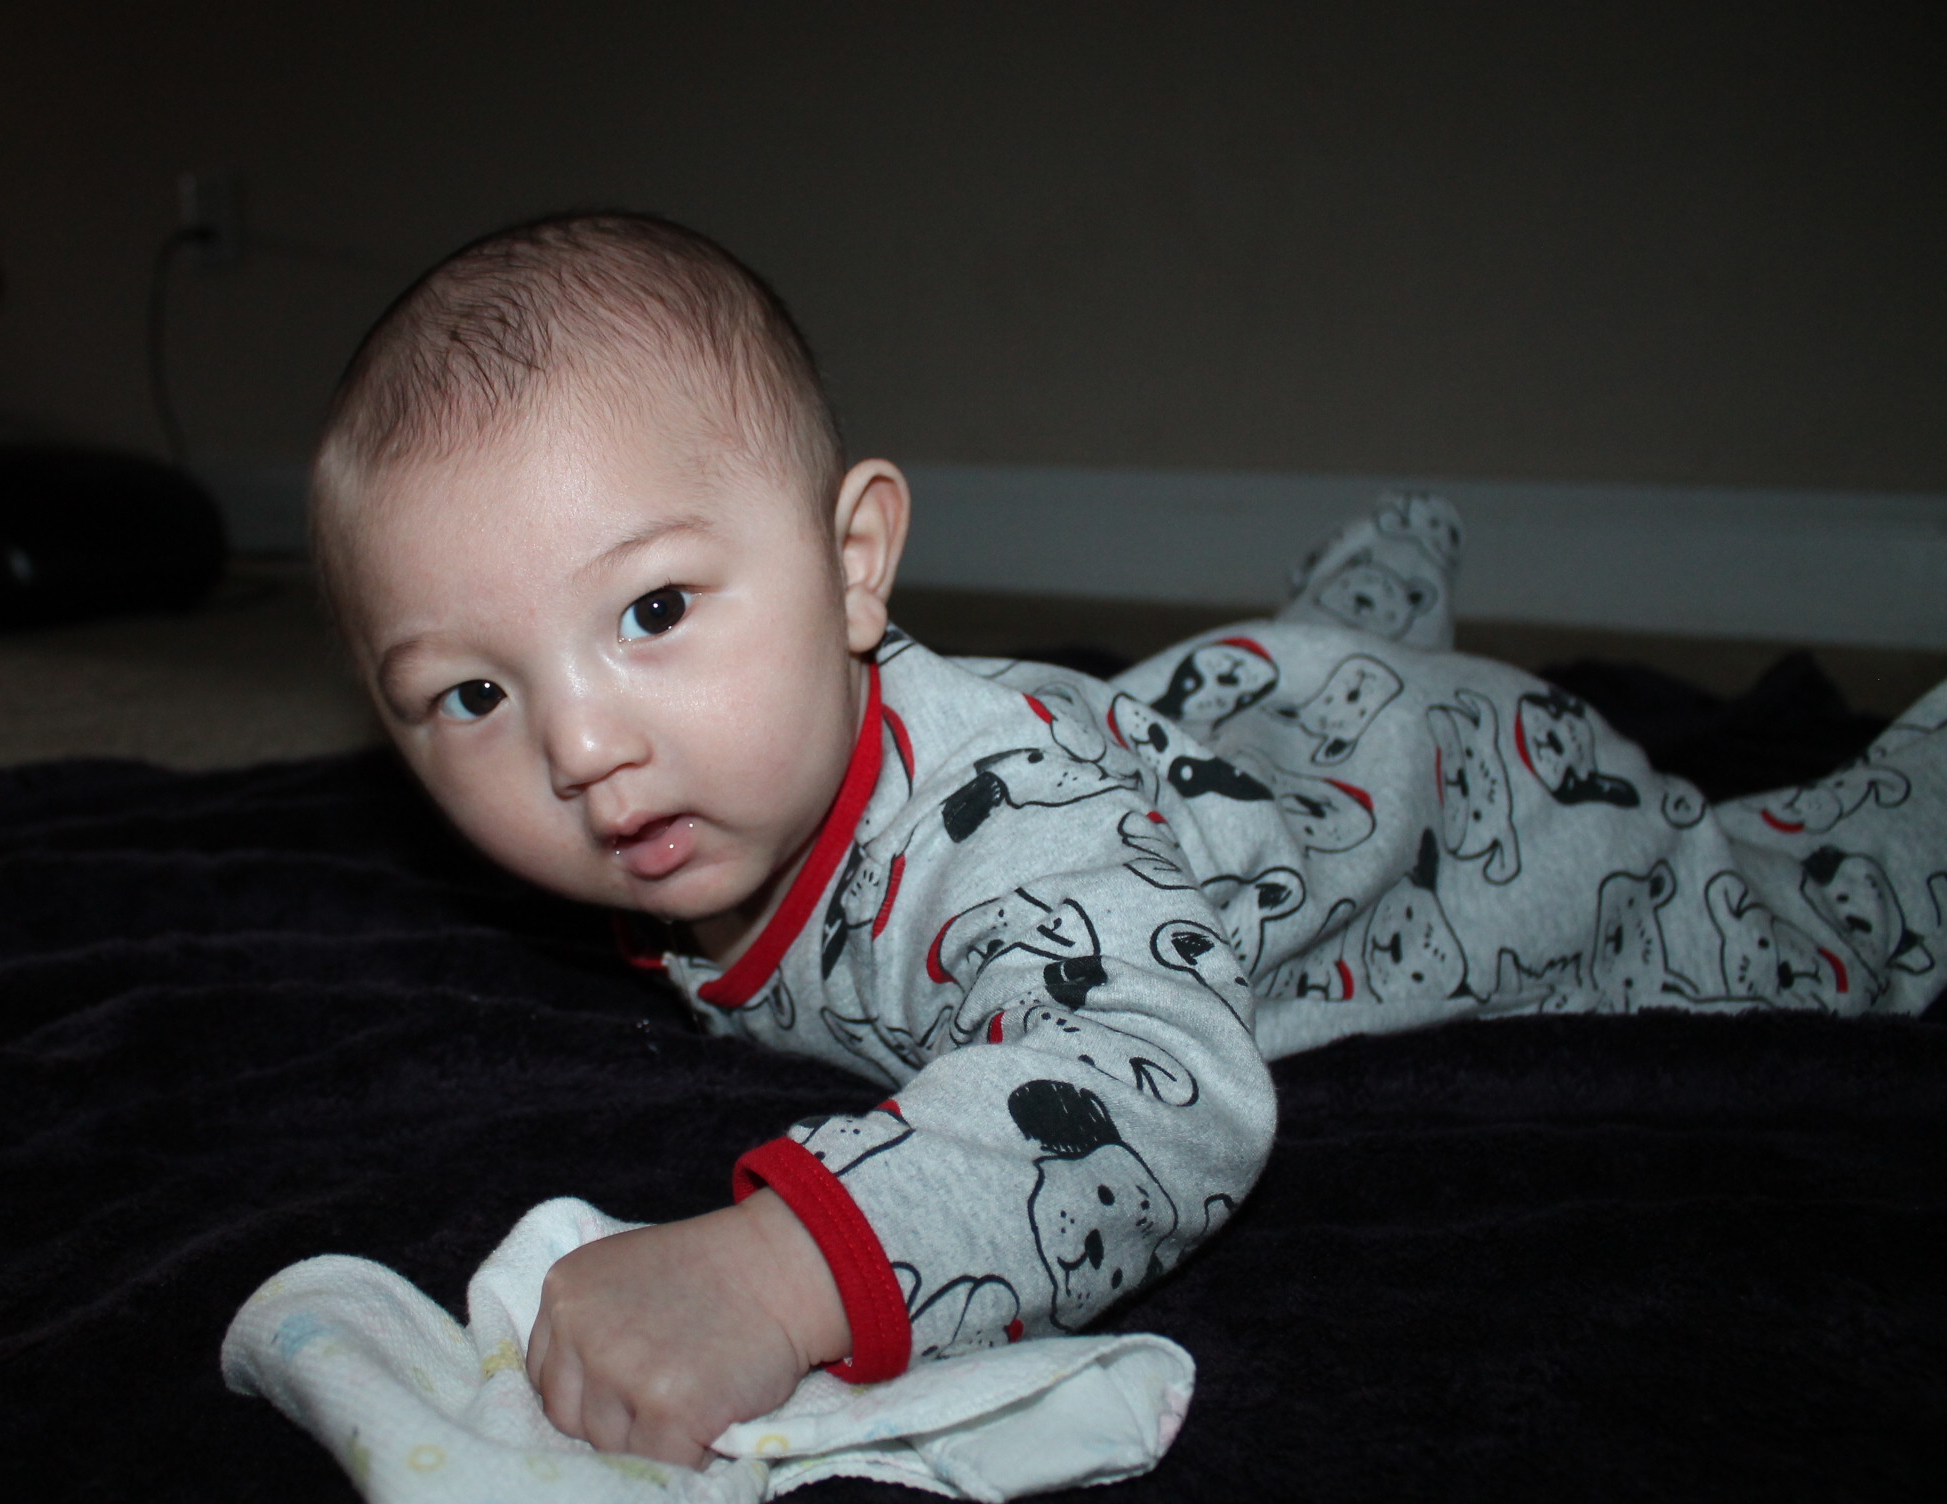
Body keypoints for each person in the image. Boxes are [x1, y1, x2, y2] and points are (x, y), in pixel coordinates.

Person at [307, 211, 1947, 1468]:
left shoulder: (1013, 833)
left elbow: (1168, 1087)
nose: (583, 747)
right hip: (1205, 750)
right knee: (1241, 721)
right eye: (472, 696)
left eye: (654, 610)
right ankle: (1354, 606)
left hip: (1472, 812)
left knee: (1824, 923)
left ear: (855, 563)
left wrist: (772, 1272)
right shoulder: (687, 804)